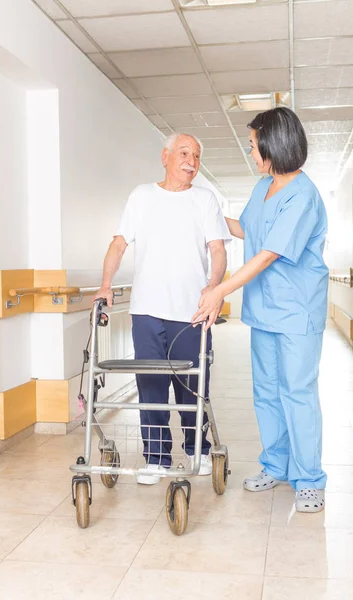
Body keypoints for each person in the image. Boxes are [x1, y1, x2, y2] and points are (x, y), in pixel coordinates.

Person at [192, 107, 329, 513]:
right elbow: (248, 229)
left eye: (253, 146)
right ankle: (276, 464)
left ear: (274, 144)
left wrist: (220, 291)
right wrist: (206, 213)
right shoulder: (262, 187)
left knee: (297, 392)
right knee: (267, 391)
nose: (251, 153)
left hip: (297, 310)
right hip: (265, 310)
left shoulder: (303, 195)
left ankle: (309, 479)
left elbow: (269, 253)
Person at [94, 133, 231, 485]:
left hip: (192, 311)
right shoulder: (142, 196)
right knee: (151, 385)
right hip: (147, 309)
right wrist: (106, 283)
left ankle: (196, 448)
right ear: (165, 157)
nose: (191, 161)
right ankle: (156, 457)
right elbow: (119, 244)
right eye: (184, 153)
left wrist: (213, 285)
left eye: (197, 156)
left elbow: (217, 249)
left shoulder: (205, 199)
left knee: (193, 384)